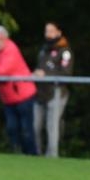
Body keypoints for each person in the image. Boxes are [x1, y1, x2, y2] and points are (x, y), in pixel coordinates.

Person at [0, 25, 37, 155]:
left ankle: (31, 155)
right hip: (8, 97)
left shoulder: (11, 49)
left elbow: (3, 70)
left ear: (6, 38)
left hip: (24, 95)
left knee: (26, 129)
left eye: (0, 39)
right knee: (11, 128)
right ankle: (16, 153)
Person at [33, 22, 73, 157]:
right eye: (46, 31)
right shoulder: (43, 50)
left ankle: (52, 156)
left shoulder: (65, 51)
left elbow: (66, 73)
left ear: (58, 32)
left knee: (52, 125)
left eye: (51, 31)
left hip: (56, 93)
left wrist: (46, 75)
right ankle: (37, 154)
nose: (48, 34)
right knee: (36, 126)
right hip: (40, 93)